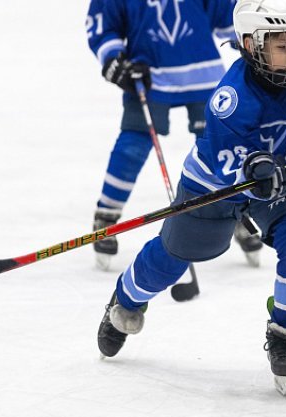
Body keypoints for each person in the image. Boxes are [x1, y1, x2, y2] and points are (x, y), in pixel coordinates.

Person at [96, 0, 286, 396]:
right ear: (251, 45)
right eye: (282, 47)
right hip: (217, 185)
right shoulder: (231, 97)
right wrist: (254, 168)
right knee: (175, 256)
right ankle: (126, 299)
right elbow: (226, 160)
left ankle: (284, 334)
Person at [86, 0, 263, 270]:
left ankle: (234, 209)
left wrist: (255, 47)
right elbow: (103, 24)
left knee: (219, 144)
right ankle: (107, 214)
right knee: (132, 145)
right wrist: (113, 60)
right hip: (146, 75)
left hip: (203, 72)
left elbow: (229, 17)